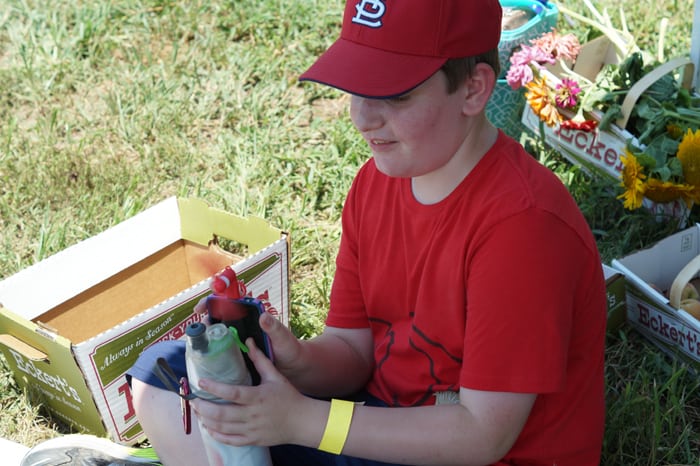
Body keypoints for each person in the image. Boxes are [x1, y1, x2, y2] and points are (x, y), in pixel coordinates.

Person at [29, 1, 607, 465]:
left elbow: (482, 436)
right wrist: (298, 360)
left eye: (396, 93)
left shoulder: (522, 229)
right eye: (356, 85)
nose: (362, 116)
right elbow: (355, 351)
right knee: (161, 377)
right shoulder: (377, 183)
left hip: (466, 450)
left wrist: (301, 420)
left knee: (214, 417)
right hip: (380, 416)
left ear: (475, 90)